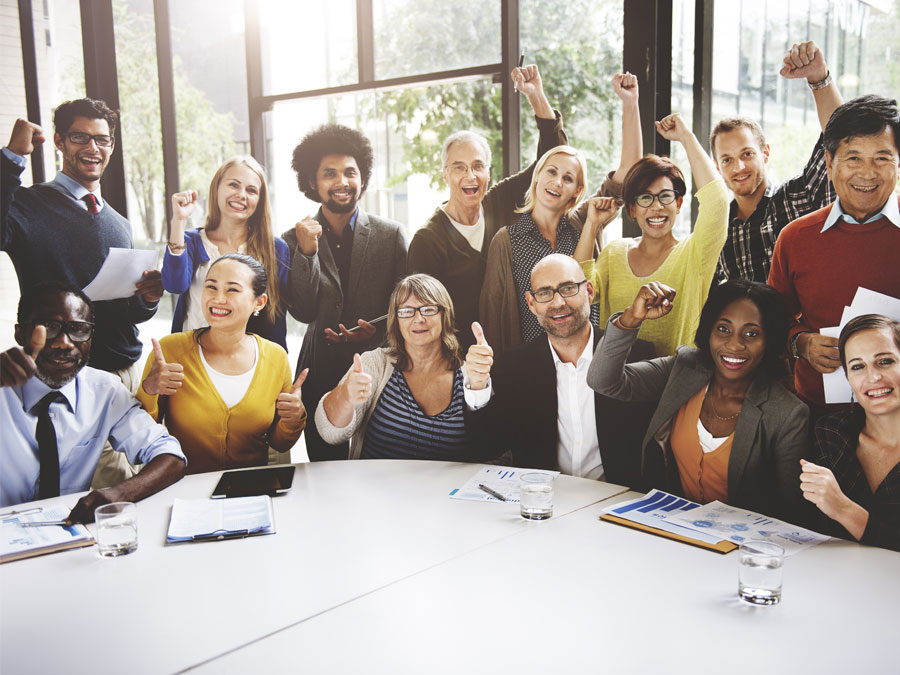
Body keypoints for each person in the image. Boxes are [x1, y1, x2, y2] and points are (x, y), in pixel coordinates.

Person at [2, 99, 165, 487]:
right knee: (106, 492)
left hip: (127, 372)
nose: (93, 148)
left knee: (143, 475)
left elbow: (126, 312)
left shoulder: (118, 223)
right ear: (59, 141)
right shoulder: (28, 204)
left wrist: (147, 298)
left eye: (103, 140)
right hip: (71, 373)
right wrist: (11, 158)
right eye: (80, 137)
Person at [587, 280, 810, 524]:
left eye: (751, 334)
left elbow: (792, 515)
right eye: (723, 329)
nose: (734, 344)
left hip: (742, 549)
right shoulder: (683, 369)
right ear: (709, 330)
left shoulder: (787, 414)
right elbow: (603, 381)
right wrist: (630, 320)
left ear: (769, 341)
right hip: (671, 534)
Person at [478, 72, 644, 357]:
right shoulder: (507, 240)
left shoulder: (584, 221)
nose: (557, 182)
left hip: (590, 359)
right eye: (552, 172)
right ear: (537, 176)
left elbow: (628, 175)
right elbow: (493, 313)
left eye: (568, 179)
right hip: (535, 365)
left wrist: (630, 104)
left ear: (577, 191)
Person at [407, 64, 569, 351]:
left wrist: (536, 95)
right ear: (445, 174)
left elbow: (552, 158)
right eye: (459, 167)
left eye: (478, 166)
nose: (470, 176)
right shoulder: (428, 240)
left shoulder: (500, 201)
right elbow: (425, 318)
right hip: (464, 363)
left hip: (519, 349)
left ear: (489, 172)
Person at [0, 282, 185, 521]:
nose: (65, 342)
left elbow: (171, 456)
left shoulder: (104, 392)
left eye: (78, 329)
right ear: (20, 334)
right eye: (49, 327)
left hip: (67, 532)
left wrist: (121, 493)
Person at [464, 254, 655, 484]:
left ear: (589, 292)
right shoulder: (514, 366)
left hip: (617, 506)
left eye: (568, 288)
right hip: (545, 508)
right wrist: (477, 386)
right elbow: (483, 449)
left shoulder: (636, 355)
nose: (558, 303)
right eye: (545, 293)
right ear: (532, 304)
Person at [767, 95, 900, 416]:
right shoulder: (795, 237)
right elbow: (770, 320)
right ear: (829, 163)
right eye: (853, 158)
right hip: (819, 412)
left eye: (882, 158)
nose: (867, 174)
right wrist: (801, 344)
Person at [283, 123, 407, 461]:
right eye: (330, 173)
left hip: (378, 371)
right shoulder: (292, 240)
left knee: (377, 470)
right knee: (325, 476)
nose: (342, 182)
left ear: (362, 178)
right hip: (318, 372)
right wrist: (306, 255)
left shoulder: (391, 234)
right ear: (312, 181)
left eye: (350, 172)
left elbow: (406, 307)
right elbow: (304, 312)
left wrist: (377, 332)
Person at [137, 254, 306, 474]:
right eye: (211, 287)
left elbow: (280, 443)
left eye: (232, 290)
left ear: (259, 302)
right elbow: (140, 435)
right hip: (183, 489)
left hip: (250, 490)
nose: (218, 299)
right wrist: (149, 390)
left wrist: (293, 421)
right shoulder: (170, 350)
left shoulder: (276, 357)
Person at [577, 113, 729, 358]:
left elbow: (718, 202)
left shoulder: (694, 254)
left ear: (679, 203)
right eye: (645, 197)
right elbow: (580, 293)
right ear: (633, 208)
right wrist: (591, 224)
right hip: (616, 383)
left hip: (672, 386)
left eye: (665, 196)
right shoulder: (615, 252)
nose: (656, 206)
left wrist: (686, 137)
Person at [316, 274, 488, 462]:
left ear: (444, 315)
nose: (418, 318)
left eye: (428, 309)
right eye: (406, 311)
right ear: (396, 319)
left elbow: (493, 454)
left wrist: (480, 388)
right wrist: (345, 396)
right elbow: (330, 434)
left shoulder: (470, 374)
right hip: (375, 489)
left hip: (443, 491)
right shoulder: (375, 364)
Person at [712, 39, 842, 283]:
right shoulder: (718, 229)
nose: (738, 167)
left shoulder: (797, 198)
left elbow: (839, 139)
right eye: (727, 160)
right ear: (718, 168)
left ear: (766, 153)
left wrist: (818, 77)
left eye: (747, 154)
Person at [162, 156, 290, 350]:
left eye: (251, 190)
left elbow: (276, 319)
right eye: (233, 185)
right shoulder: (191, 241)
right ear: (217, 189)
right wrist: (178, 220)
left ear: (260, 200)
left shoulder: (275, 249)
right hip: (191, 358)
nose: (241, 195)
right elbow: (174, 285)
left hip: (249, 364)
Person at [801, 314, 900, 552]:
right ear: (848, 379)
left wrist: (844, 509)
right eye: (857, 367)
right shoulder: (830, 434)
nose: (873, 377)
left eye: (885, 361)